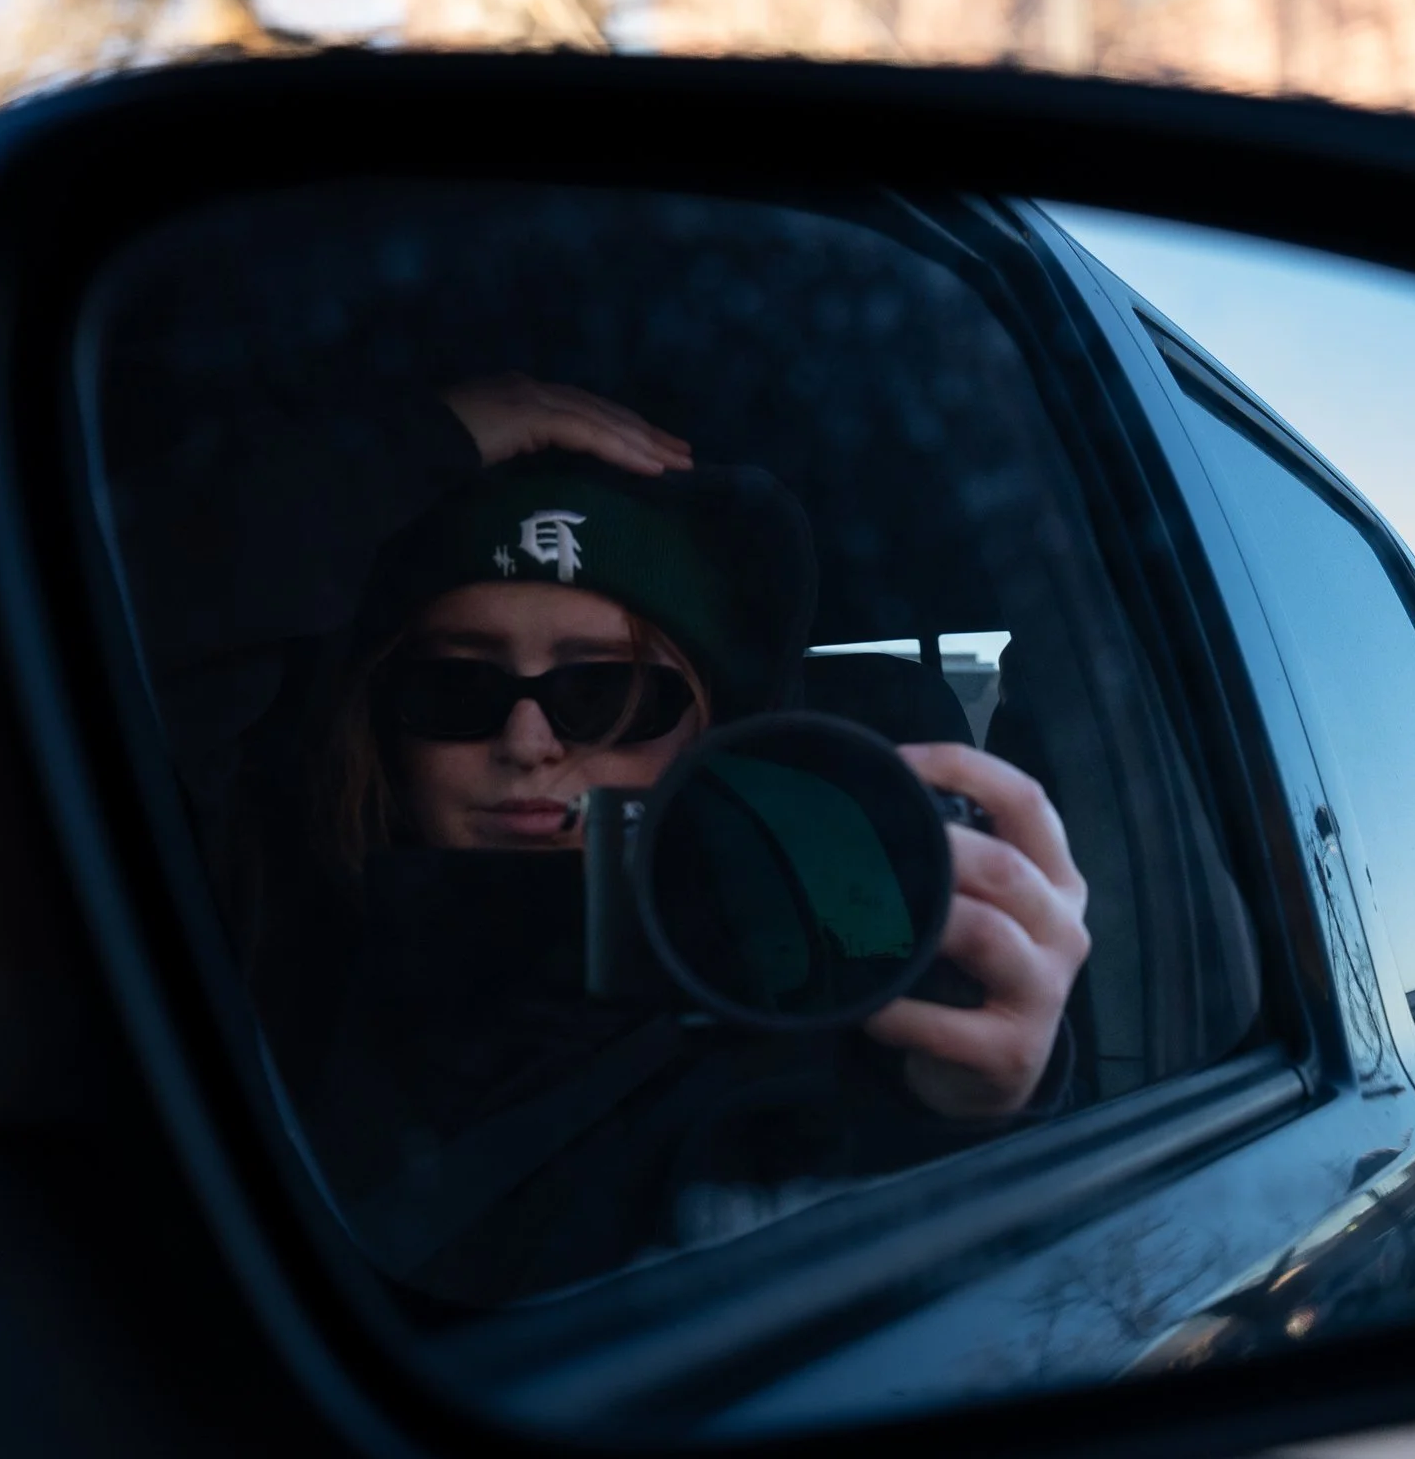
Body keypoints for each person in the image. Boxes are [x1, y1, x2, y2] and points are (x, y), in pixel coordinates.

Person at [123, 374, 1092, 1304]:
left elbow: (871, 1253)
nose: (526, 741)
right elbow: (106, 670)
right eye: (456, 686)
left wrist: (967, 1105)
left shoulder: (798, 993)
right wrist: (406, 450)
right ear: (381, 720)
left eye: (606, 693)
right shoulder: (252, 929)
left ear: (707, 733)